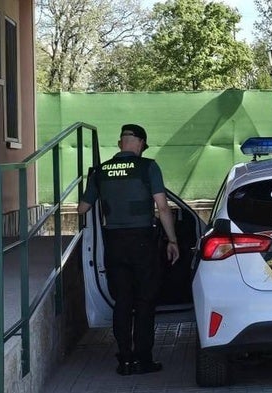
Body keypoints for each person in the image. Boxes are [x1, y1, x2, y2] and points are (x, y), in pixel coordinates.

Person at [77, 124, 179, 376]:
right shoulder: (148, 167)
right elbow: (163, 208)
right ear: (140, 143)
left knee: (122, 302)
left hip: (114, 242)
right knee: (144, 301)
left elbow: (82, 208)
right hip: (142, 241)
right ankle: (144, 360)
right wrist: (172, 240)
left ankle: (124, 361)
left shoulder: (100, 171)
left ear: (121, 142)